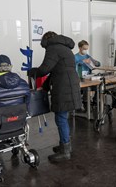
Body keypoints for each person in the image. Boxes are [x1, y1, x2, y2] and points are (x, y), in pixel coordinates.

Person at [28, 31, 81, 163]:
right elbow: (56, 71)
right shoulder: (65, 47)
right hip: (70, 84)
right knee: (63, 117)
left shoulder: (53, 48)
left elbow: (45, 69)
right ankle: (65, 144)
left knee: (61, 118)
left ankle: (65, 151)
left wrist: (32, 71)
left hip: (64, 87)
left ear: (46, 41)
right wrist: (45, 87)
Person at [74, 40, 101, 112]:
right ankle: (84, 103)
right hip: (80, 77)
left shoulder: (88, 56)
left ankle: (95, 101)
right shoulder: (75, 57)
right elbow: (74, 65)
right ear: (79, 48)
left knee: (98, 85)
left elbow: (98, 64)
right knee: (86, 87)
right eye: (84, 49)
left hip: (88, 76)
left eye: (86, 49)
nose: (85, 51)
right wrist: (82, 62)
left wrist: (96, 63)